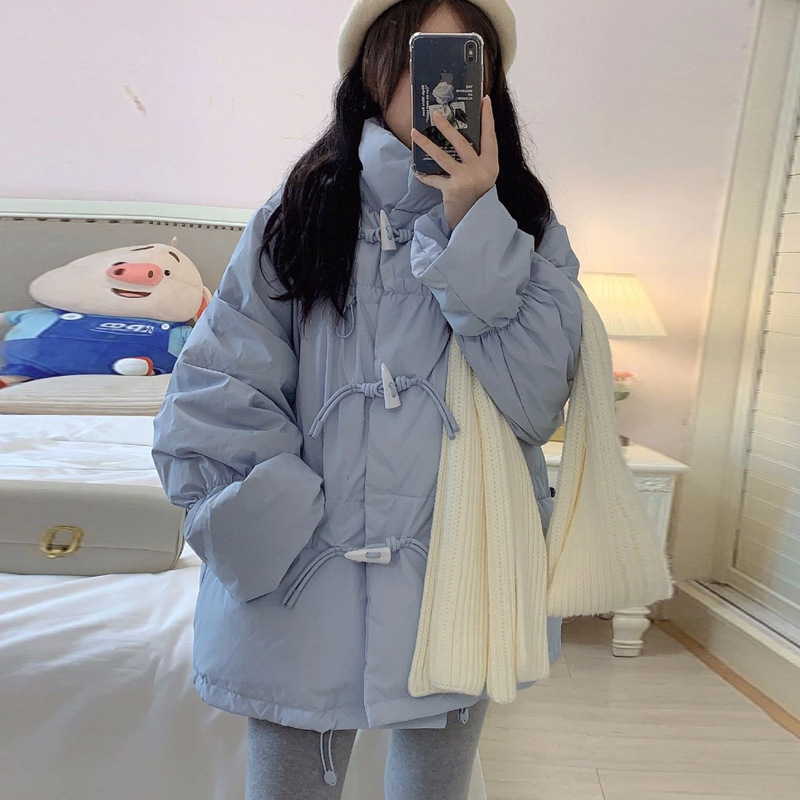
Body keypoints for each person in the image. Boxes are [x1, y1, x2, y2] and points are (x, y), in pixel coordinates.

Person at [151, 0, 583, 796]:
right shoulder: (296, 215)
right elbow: (218, 389)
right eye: (418, 57)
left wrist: (473, 226)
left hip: (461, 567)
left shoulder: (527, 227)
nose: (438, 86)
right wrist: (282, 510)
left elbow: (534, 404)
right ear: (372, 70)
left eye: (464, 62)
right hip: (300, 572)